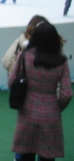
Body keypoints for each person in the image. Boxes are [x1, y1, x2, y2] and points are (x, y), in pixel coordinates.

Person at [10, 22, 72, 161]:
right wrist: (57, 107)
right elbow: (67, 93)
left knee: (25, 155)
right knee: (47, 156)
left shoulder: (24, 56)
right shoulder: (61, 61)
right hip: (51, 114)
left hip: (27, 111)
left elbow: (11, 81)